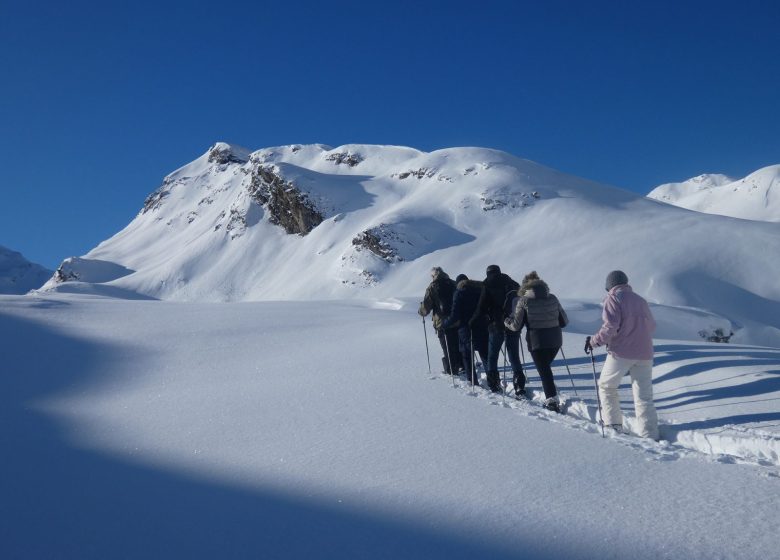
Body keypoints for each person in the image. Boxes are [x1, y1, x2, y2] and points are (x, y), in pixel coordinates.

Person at [585, 270, 659, 440]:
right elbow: (652, 326)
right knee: (644, 396)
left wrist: (594, 342)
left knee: (606, 386)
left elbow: (610, 327)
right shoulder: (640, 300)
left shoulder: (613, 298)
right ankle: (650, 434)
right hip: (645, 353)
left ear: (609, 285)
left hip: (621, 352)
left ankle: (613, 425)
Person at [505, 273, 568, 412]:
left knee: (544, 371)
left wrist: (507, 321)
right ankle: (551, 392)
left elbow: (516, 326)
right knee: (545, 369)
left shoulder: (524, 301)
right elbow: (564, 321)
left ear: (525, 286)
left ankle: (551, 400)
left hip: (537, 341)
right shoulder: (552, 297)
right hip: (556, 340)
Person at [469, 264, 523, 393]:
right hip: (513, 324)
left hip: (496, 325)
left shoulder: (487, 285)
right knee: (514, 356)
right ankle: (519, 385)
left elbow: (481, 308)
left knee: (492, 356)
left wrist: (472, 321)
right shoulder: (512, 283)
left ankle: (494, 384)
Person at [442, 274, 489, 386]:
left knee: (467, 356)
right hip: (482, 327)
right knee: (485, 355)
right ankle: (493, 381)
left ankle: (473, 382)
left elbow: (455, 315)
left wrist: (445, 323)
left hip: (466, 329)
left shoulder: (459, 292)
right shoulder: (480, 290)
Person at [419, 267, 463, 374]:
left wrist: (421, 311)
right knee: (458, 345)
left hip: (442, 323)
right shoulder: (453, 283)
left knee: (447, 347)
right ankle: (463, 365)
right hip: (457, 321)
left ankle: (451, 370)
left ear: (434, 276)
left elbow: (426, 308)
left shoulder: (432, 287)